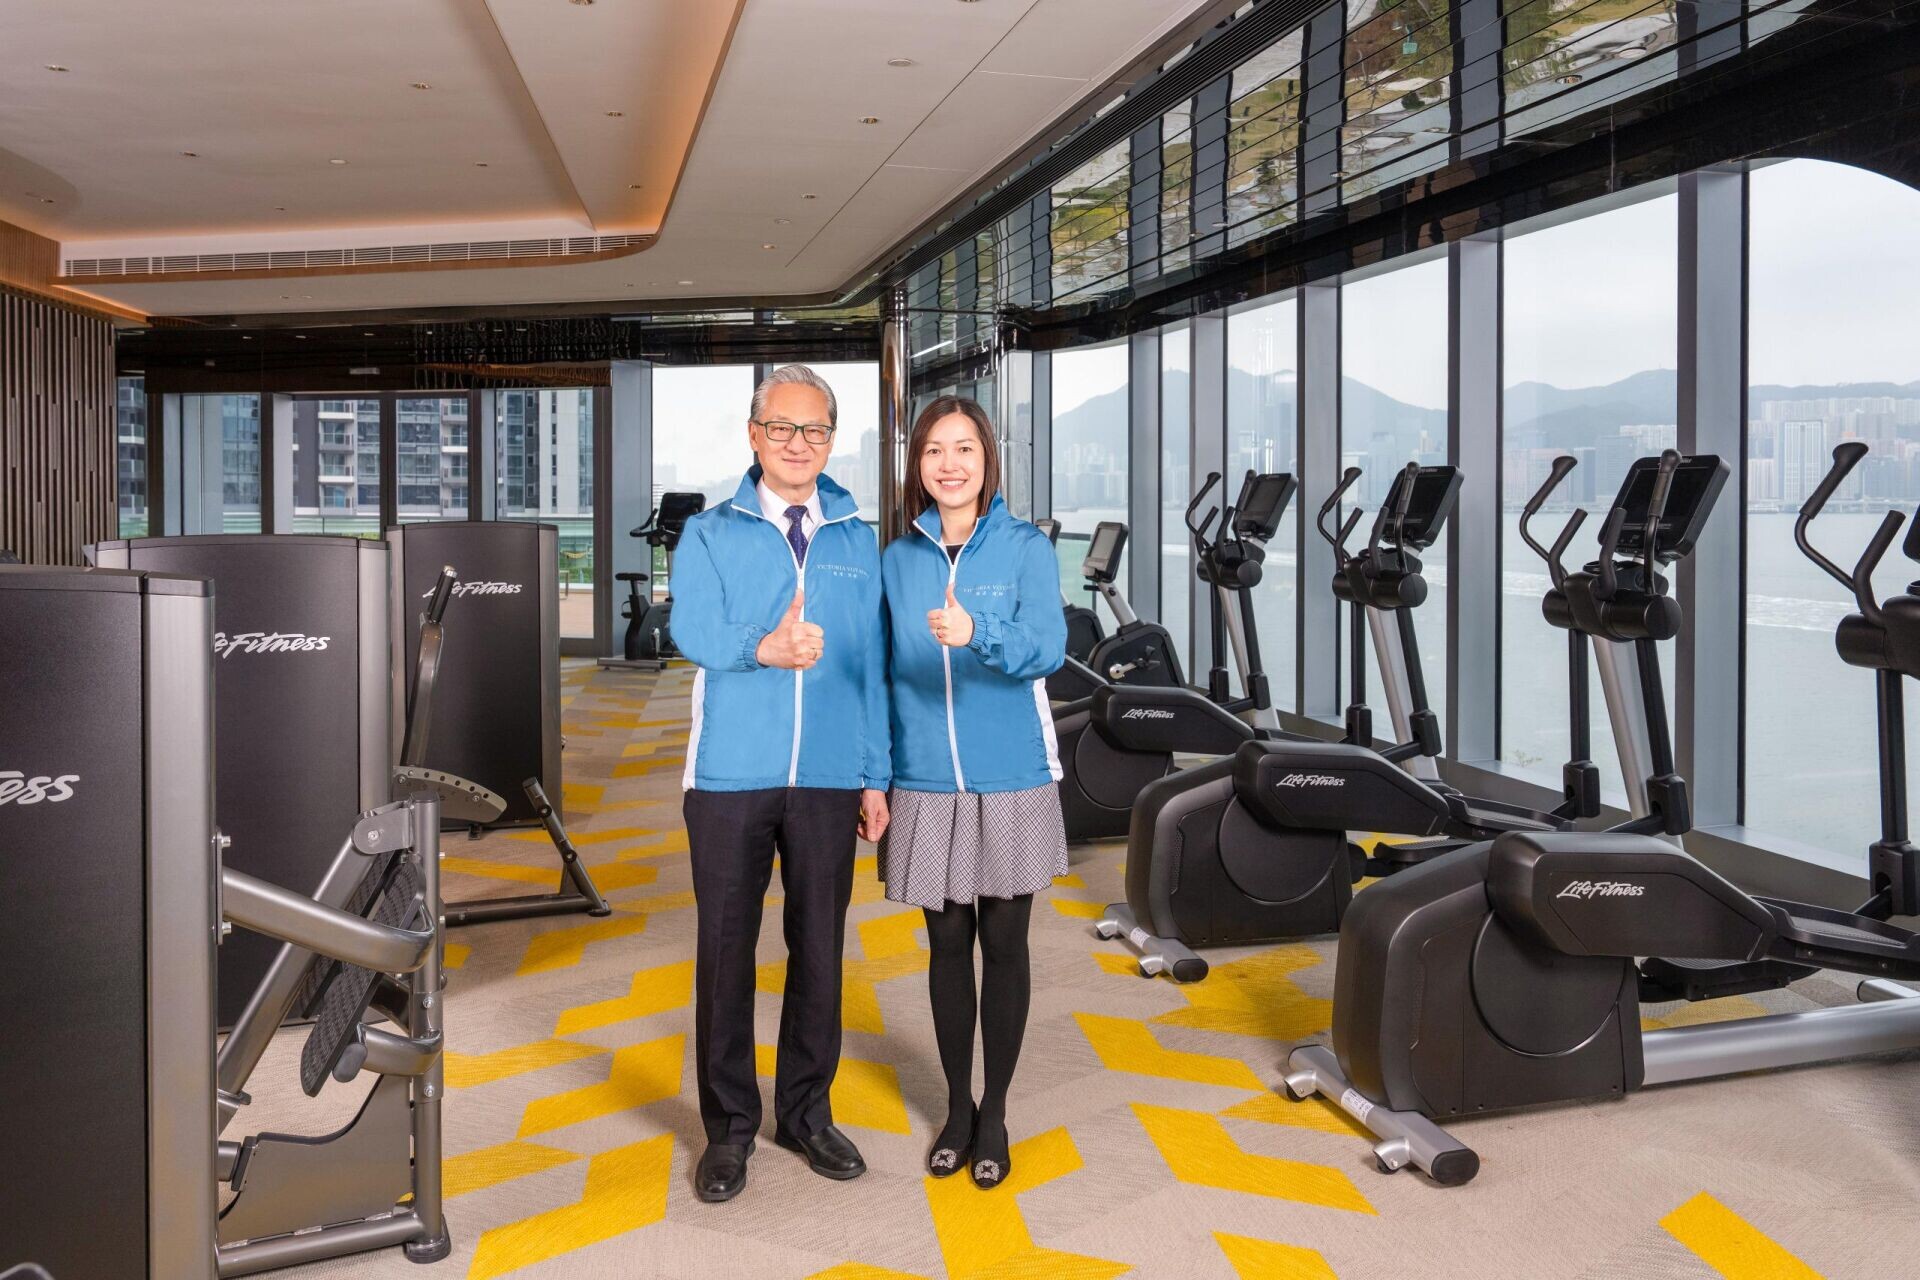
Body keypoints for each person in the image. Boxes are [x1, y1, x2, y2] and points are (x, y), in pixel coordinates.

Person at [668, 364, 892, 1203]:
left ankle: (805, 1113)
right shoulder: (710, 532)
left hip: (830, 777)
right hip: (730, 775)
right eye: (783, 428)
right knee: (726, 953)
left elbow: (870, 666)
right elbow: (691, 625)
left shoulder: (855, 537)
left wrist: (874, 775)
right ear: (755, 435)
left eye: (815, 430)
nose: (799, 444)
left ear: (831, 441)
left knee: (821, 949)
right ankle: (729, 1128)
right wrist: (761, 647)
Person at [878, 395, 1068, 1190]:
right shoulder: (898, 559)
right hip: (925, 778)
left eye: (964, 448)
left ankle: (996, 1113)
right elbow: (881, 674)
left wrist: (977, 634)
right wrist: (876, 776)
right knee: (947, 945)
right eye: (934, 450)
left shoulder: (1025, 547)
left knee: (1006, 944)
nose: (949, 463)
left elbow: (1048, 648)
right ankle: (958, 1107)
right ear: (917, 465)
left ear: (987, 458)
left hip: (1011, 774)